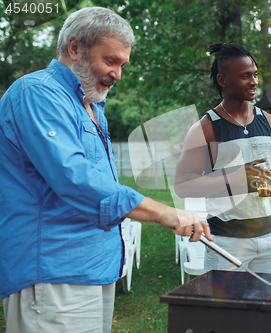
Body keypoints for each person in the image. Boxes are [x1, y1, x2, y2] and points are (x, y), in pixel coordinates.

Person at [0, 7, 212, 333]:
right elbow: (74, 178)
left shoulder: (93, 107)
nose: (118, 75)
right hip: (53, 270)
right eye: (111, 61)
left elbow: (99, 181)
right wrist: (161, 212)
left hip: (96, 268)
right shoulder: (38, 93)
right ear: (75, 49)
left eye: (122, 65)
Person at [175, 43, 271, 274]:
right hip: (227, 241)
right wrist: (235, 177)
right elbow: (182, 185)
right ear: (222, 80)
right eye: (245, 76)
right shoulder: (205, 129)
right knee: (228, 311)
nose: (254, 82)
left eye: (255, 74)